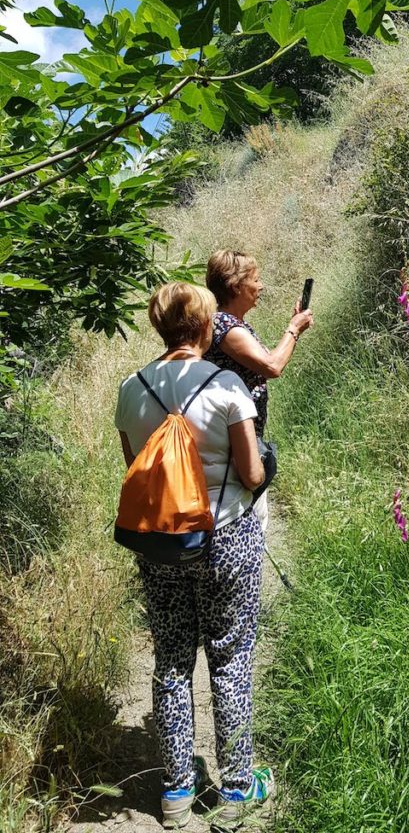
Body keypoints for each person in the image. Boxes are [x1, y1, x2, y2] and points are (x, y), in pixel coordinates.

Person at [115, 282, 272, 829]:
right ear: (205, 326)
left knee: (172, 659)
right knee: (230, 658)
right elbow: (252, 474)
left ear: (159, 327)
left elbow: (139, 470)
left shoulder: (130, 389)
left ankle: (177, 790)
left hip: (160, 543)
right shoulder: (227, 385)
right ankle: (236, 788)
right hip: (227, 537)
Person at [204, 249, 314, 531]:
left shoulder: (235, 325)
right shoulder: (226, 326)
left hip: (240, 433)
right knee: (251, 517)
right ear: (236, 286)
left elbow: (270, 360)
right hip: (234, 437)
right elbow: (272, 366)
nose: (261, 286)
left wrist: (294, 331)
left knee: (252, 511)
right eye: (256, 279)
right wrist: (293, 328)